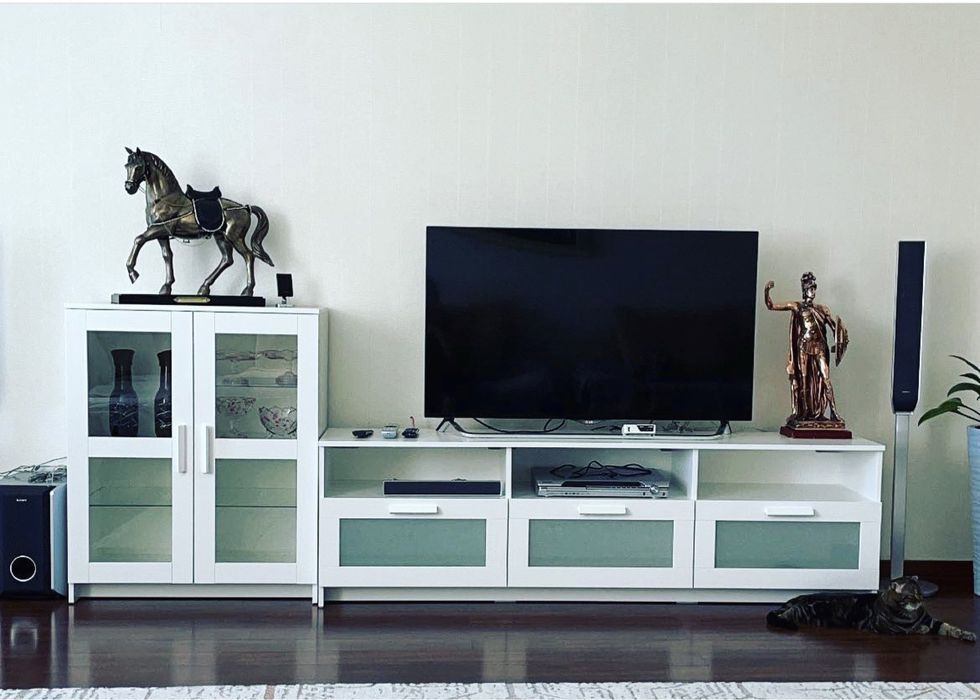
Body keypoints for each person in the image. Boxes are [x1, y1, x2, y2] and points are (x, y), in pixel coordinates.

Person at [765, 272, 848, 424]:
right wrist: (767, 291)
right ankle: (802, 412)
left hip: (820, 346)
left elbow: (835, 329)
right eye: (810, 288)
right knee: (802, 378)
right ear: (804, 290)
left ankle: (834, 412)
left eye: (814, 288)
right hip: (804, 346)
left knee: (826, 379)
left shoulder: (822, 309)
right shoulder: (797, 306)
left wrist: (840, 343)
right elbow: (771, 306)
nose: (813, 291)